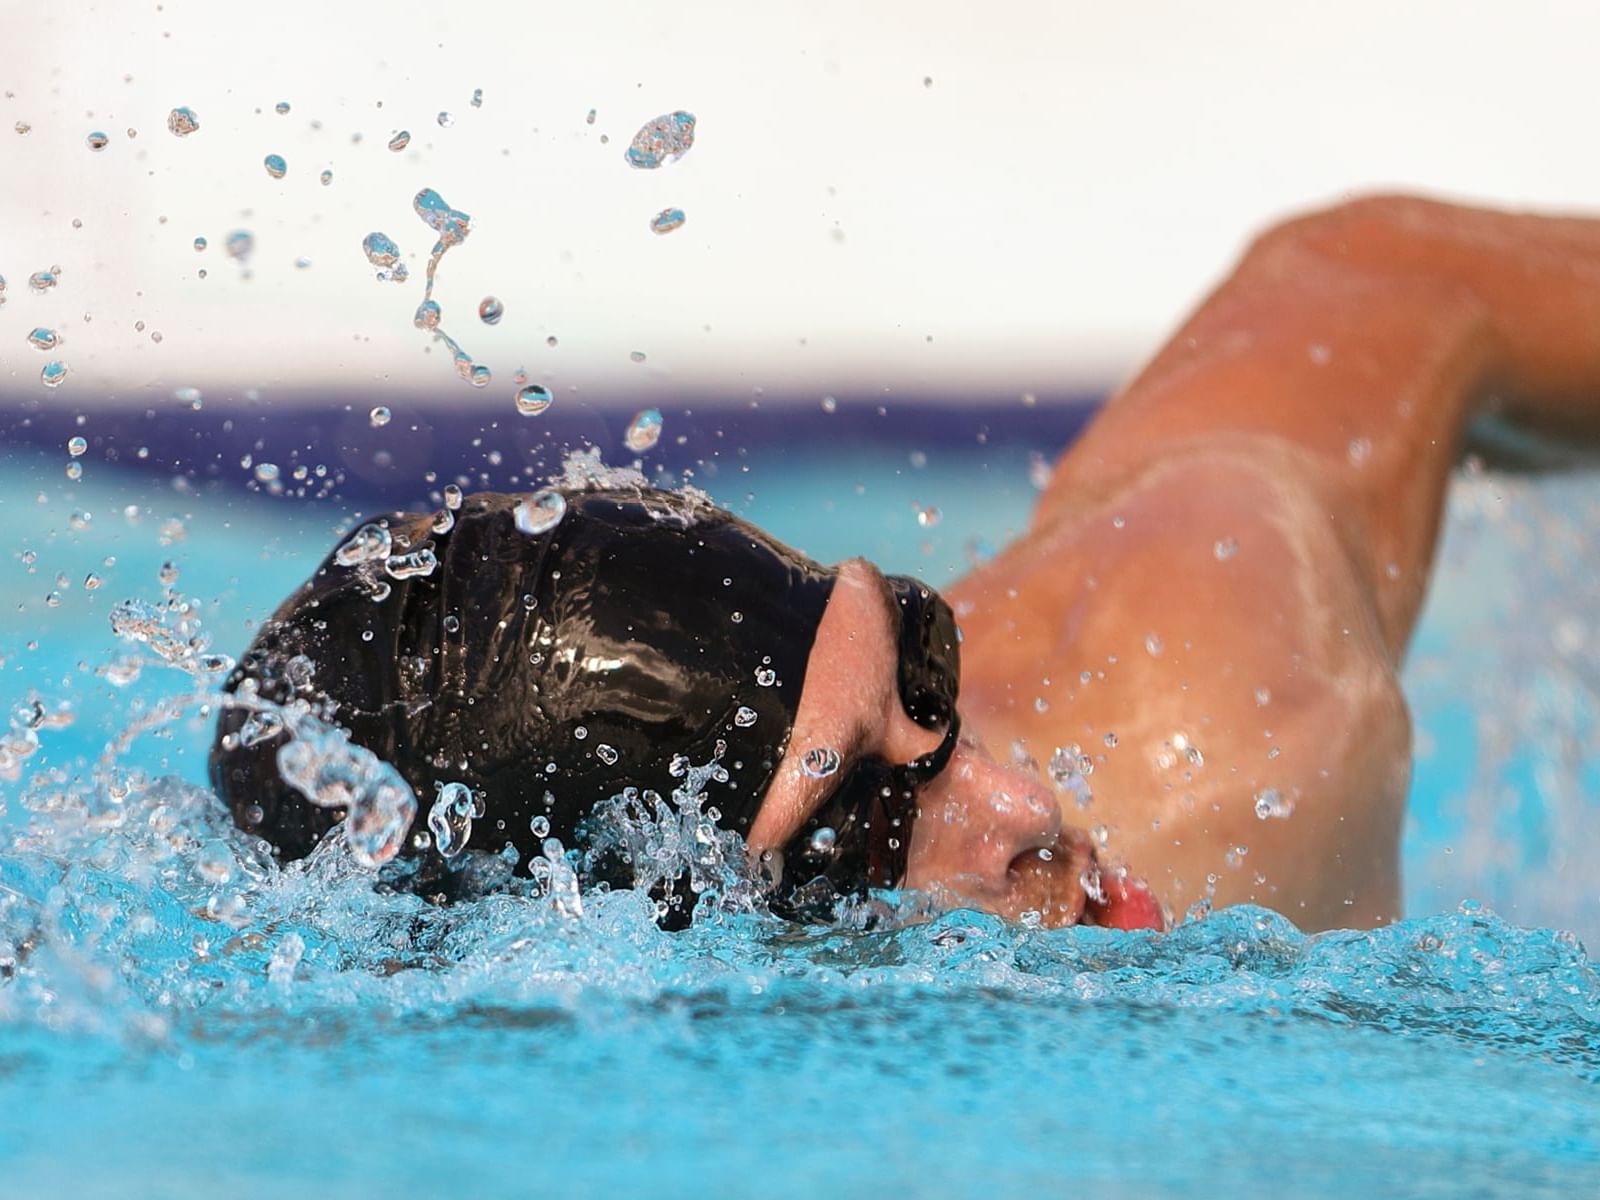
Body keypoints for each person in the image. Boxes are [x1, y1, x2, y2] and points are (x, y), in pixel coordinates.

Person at [213, 194, 1600, 932]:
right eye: (864, 829)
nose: (1023, 811)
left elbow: (1381, 279)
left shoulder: (1235, 714)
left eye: (928, 677)